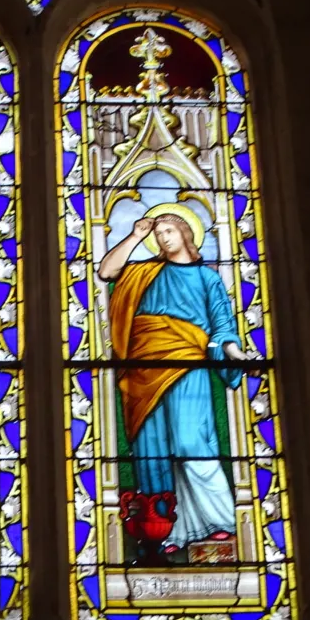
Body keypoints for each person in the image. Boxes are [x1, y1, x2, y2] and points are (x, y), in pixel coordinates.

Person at [99, 211, 248, 554]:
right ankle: (172, 530)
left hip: (186, 367)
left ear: (185, 233)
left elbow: (222, 323)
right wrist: (136, 235)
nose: (164, 237)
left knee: (191, 442)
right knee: (153, 452)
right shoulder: (144, 273)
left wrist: (232, 350)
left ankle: (220, 519)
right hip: (142, 372)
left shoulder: (206, 278)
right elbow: (107, 271)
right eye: (159, 233)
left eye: (170, 230)